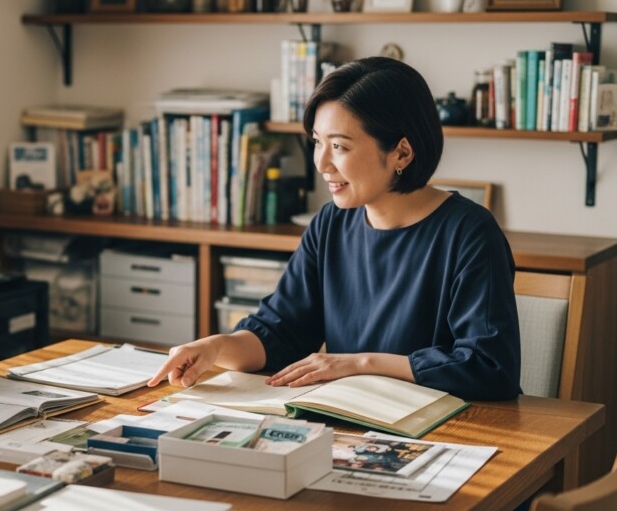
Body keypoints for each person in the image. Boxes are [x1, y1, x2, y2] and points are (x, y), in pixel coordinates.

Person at [149, 57, 521, 402]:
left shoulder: (470, 233)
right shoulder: (331, 223)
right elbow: (280, 333)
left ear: (402, 153)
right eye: (317, 143)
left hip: (449, 431)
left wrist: (357, 363)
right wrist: (215, 346)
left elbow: (488, 367)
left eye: (339, 146)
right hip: (351, 419)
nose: (322, 163)